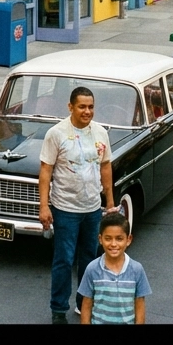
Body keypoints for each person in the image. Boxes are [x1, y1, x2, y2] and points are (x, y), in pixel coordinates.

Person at [39, 86, 115, 323]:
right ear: (70, 107)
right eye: (82, 106)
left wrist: (110, 203)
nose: (87, 111)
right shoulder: (56, 134)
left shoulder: (101, 133)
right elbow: (45, 171)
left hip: (92, 209)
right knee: (63, 259)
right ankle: (58, 309)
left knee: (90, 259)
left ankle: (85, 304)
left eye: (91, 106)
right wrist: (44, 206)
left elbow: (105, 167)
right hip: (65, 209)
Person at [78, 211, 151, 325]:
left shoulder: (137, 269)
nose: (113, 244)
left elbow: (140, 304)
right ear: (100, 239)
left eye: (119, 238)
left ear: (128, 239)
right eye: (108, 238)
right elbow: (86, 304)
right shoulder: (92, 269)